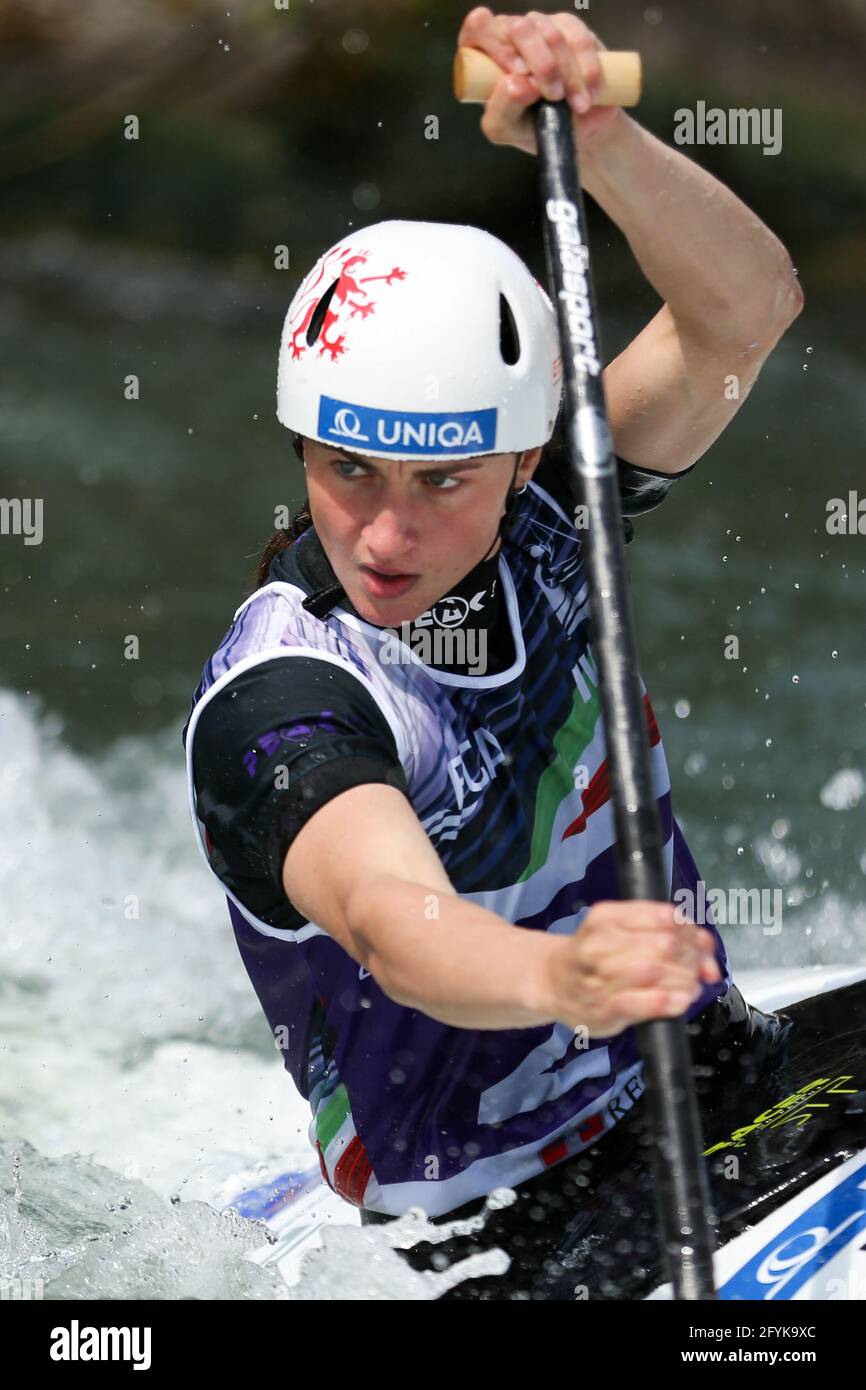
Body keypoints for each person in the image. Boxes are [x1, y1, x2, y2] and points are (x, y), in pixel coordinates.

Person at [182, 9, 803, 1298]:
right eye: (347, 469)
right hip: (495, 1228)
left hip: (711, 1079)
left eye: (444, 478)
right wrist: (564, 975)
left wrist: (605, 137)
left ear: (525, 455)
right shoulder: (284, 703)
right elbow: (399, 927)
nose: (389, 531)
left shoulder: (553, 507)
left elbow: (745, 313)